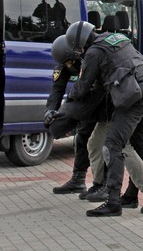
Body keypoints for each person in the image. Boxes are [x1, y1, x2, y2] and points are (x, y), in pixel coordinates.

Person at [64, 20, 143, 217]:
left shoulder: (93, 52)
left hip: (133, 98)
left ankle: (119, 199)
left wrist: (69, 101)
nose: (80, 51)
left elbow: (83, 87)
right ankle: (131, 196)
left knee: (112, 146)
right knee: (136, 146)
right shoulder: (118, 38)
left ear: (81, 43)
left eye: (79, 48)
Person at [44, 35, 97, 196]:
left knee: (98, 145)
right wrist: (51, 110)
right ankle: (78, 179)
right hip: (85, 101)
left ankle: (102, 184)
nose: (68, 66)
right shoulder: (64, 62)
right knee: (81, 139)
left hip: (101, 102)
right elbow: (57, 88)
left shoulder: (91, 58)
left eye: (69, 62)